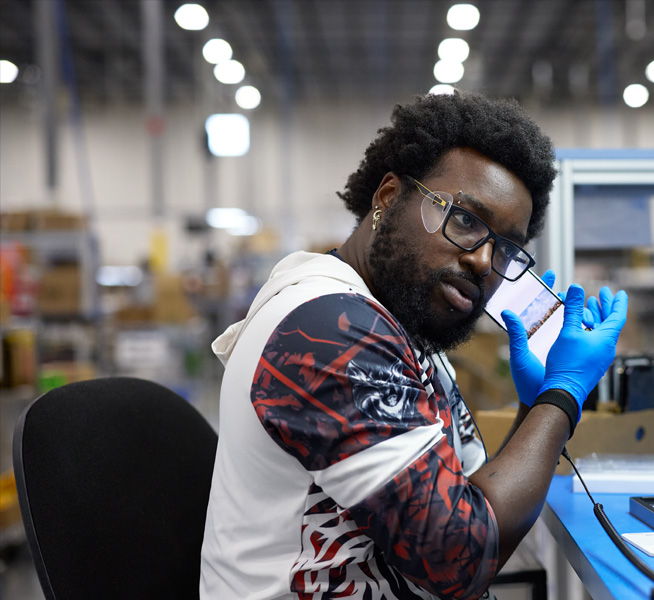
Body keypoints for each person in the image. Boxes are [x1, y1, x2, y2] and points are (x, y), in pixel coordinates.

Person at [199, 90, 629, 600]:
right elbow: (458, 558)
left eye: (507, 248)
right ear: (386, 198)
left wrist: (534, 407)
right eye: (466, 219)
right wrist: (562, 398)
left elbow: (471, 501)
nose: (482, 261)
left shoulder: (399, 325)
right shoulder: (330, 331)